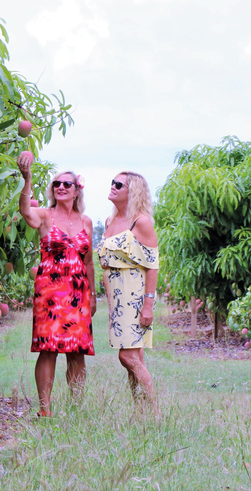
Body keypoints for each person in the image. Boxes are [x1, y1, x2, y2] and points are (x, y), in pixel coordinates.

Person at [17, 155, 96, 417]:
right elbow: (25, 210)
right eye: (56, 184)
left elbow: (88, 261)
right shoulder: (45, 215)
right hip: (50, 292)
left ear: (76, 190)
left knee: (76, 352)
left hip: (78, 293)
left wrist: (92, 295)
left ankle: (77, 407)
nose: (60, 187)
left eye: (66, 184)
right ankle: (45, 409)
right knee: (48, 350)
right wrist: (27, 179)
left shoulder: (85, 222)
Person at [96, 172, 160, 414]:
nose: (112, 186)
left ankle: (155, 413)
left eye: (118, 184)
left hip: (134, 292)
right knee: (135, 358)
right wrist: (111, 300)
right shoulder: (110, 221)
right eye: (112, 182)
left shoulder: (141, 222)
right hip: (117, 295)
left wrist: (148, 304)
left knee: (128, 357)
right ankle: (140, 411)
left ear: (132, 192)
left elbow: (152, 264)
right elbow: (106, 263)